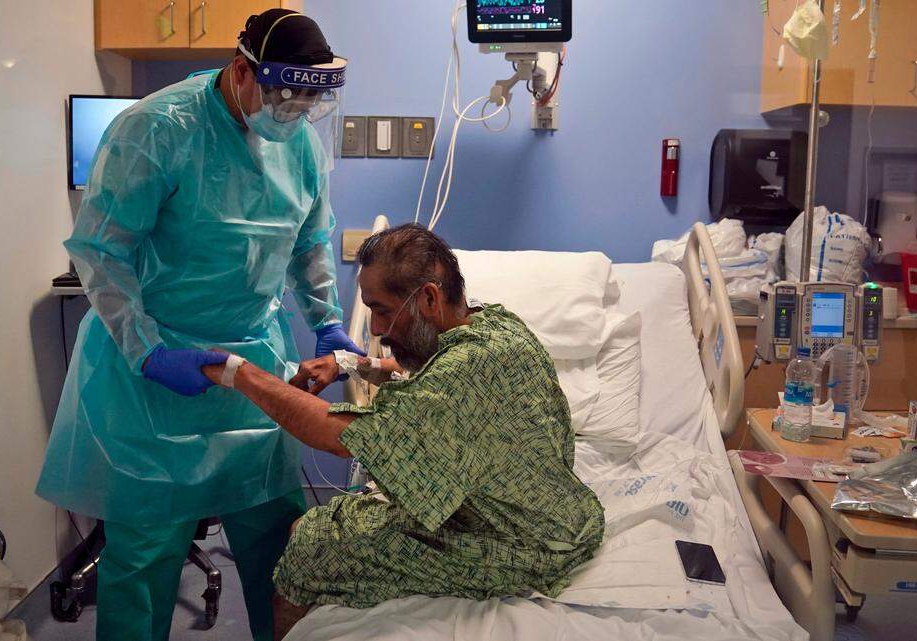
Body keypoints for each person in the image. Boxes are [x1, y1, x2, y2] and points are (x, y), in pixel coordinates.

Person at [34, 9, 361, 641]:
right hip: (156, 370)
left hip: (256, 369)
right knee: (145, 558)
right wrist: (148, 352)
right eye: (283, 98)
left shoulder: (299, 142)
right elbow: (102, 253)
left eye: (306, 103)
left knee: (282, 546)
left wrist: (326, 321)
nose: (292, 115)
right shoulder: (155, 130)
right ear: (242, 72)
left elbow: (310, 241)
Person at [201, 224, 605, 640]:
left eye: (383, 310)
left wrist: (239, 373)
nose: (375, 329)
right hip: (546, 512)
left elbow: (337, 435)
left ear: (429, 297)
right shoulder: (494, 325)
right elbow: (424, 369)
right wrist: (350, 364)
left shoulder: (464, 372)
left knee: (308, 548)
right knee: (308, 527)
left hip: (521, 544)